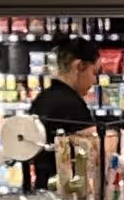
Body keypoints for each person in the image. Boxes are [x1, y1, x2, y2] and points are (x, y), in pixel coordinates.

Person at [27, 36, 101, 188]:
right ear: (79, 66)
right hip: (66, 194)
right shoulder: (71, 104)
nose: (94, 81)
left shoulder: (43, 98)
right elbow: (95, 154)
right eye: (94, 72)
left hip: (42, 190)